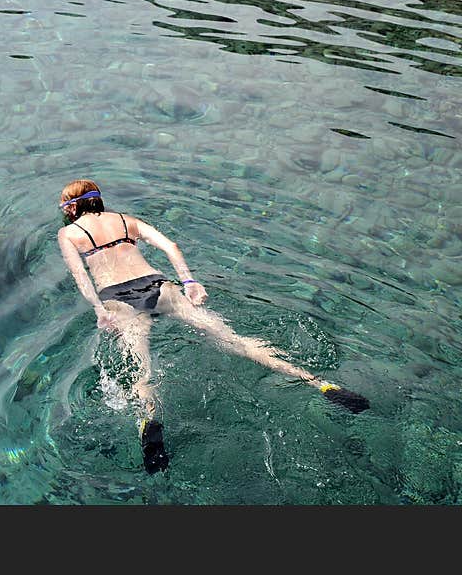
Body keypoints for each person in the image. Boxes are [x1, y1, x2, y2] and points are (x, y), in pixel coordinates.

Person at [57, 179, 369, 475]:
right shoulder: (126, 220)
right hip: (159, 286)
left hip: (119, 298)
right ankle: (319, 384)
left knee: (141, 372)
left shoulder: (69, 234)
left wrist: (99, 309)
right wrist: (190, 281)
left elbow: (80, 275)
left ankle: (149, 422)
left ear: (70, 209)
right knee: (236, 341)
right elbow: (171, 245)